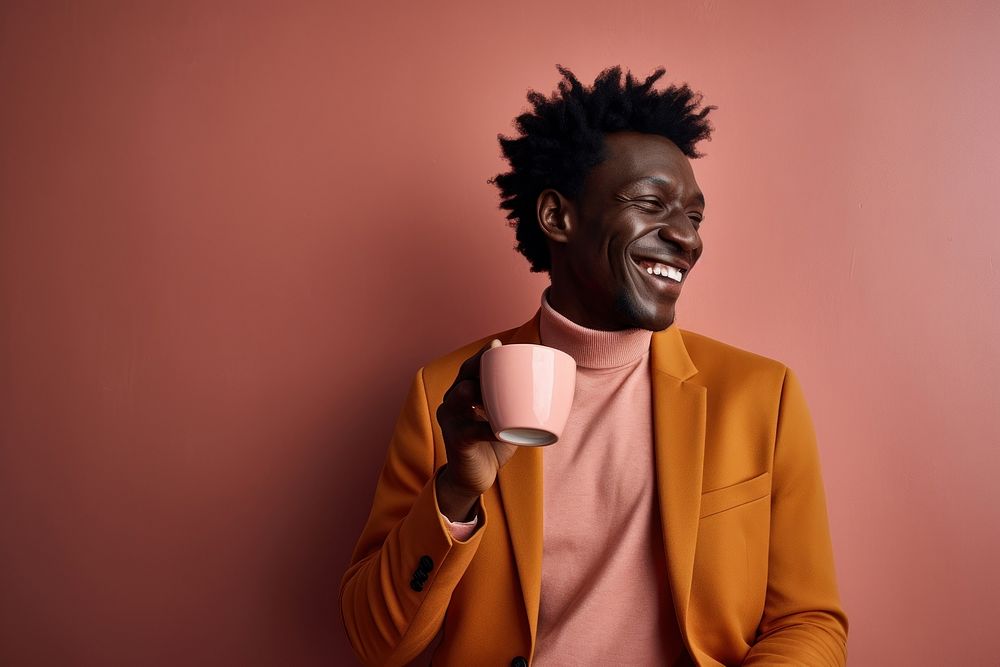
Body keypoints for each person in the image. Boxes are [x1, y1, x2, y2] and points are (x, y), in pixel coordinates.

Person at [340, 65, 848, 666]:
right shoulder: (446, 395)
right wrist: (455, 491)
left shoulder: (762, 395)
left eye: (694, 215)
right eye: (653, 203)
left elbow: (809, 621)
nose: (686, 238)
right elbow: (377, 644)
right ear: (557, 217)